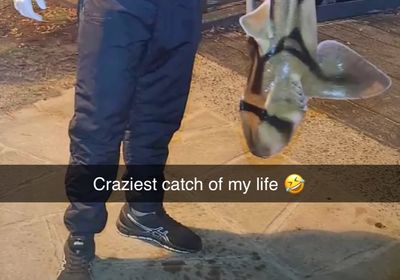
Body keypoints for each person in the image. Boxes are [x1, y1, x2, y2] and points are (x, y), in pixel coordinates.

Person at [13, 0, 203, 279]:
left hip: (181, 9)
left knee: (158, 116)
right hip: (115, 8)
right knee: (98, 123)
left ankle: (143, 211)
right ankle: (82, 235)